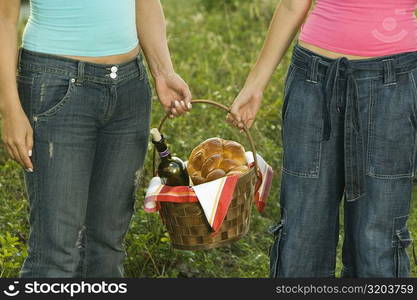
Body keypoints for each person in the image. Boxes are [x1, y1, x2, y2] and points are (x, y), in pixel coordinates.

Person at [0, 0, 191, 278]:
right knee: (56, 254)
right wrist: (10, 110)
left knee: (107, 246)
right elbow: (4, 19)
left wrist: (163, 72)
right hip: (56, 85)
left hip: (129, 88)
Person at [228, 0, 417, 277]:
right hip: (313, 79)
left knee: (377, 243)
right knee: (302, 236)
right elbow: (294, 5)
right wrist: (254, 84)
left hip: (392, 84)